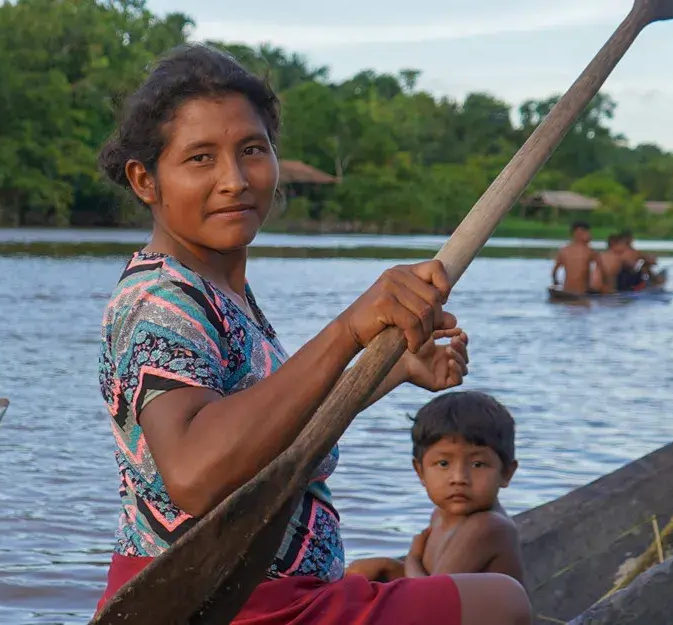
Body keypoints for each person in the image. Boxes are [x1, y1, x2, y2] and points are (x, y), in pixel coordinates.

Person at [95, 44, 532, 625]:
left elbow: (271, 423)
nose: (234, 180)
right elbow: (196, 477)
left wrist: (392, 368)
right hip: (222, 603)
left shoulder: (216, 291)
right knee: (503, 601)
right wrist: (351, 327)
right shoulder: (159, 301)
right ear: (145, 180)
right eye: (200, 158)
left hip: (275, 594)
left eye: (251, 150)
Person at [346, 391, 525, 584]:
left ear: (506, 473)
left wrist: (412, 559)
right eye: (443, 463)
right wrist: (388, 567)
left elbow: (429, 595)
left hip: (458, 609)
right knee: (361, 571)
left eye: (478, 464)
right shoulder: (440, 516)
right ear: (420, 471)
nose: (459, 478)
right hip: (441, 605)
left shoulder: (488, 527)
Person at [551, 221, 602, 294]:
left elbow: (554, 272)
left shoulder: (563, 251)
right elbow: (601, 270)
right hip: (582, 292)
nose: (591, 236)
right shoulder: (589, 251)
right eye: (588, 233)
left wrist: (556, 283)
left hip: (566, 291)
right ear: (579, 234)